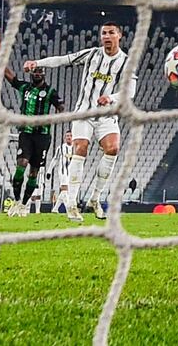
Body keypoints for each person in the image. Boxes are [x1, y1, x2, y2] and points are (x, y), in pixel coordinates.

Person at [24, 21, 137, 221]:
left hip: (106, 115)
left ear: (119, 36)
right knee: (80, 149)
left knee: (112, 149)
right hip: (83, 112)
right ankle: (72, 204)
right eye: (103, 33)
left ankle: (95, 198)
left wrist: (111, 98)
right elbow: (63, 59)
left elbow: (130, 91)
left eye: (111, 33)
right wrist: (38, 63)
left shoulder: (126, 62)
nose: (106, 36)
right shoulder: (92, 54)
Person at [4, 66, 64, 218]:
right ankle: (16, 201)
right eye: (35, 72)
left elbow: (60, 106)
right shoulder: (24, 87)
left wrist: (58, 112)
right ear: (31, 74)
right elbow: (11, 77)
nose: (37, 74)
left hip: (42, 136)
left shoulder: (50, 91)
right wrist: (0, 59)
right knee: (21, 165)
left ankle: (24, 204)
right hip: (26, 133)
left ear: (43, 74)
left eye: (39, 72)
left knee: (33, 172)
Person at [49, 131, 74, 214]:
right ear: (64, 138)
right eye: (67, 136)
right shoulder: (61, 148)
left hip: (72, 172)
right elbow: (55, 159)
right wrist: (49, 170)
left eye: (70, 136)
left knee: (66, 191)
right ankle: (69, 210)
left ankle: (55, 209)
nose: (69, 137)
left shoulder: (76, 148)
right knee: (64, 190)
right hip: (63, 171)